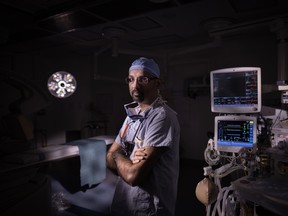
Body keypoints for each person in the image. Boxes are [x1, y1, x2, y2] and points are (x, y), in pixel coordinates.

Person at [106, 57, 180, 216]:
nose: (135, 85)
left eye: (143, 79)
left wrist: (119, 156)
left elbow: (133, 176)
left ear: (157, 84)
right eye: (131, 79)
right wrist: (125, 160)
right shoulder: (131, 116)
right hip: (124, 202)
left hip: (148, 208)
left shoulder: (162, 117)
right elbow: (108, 159)